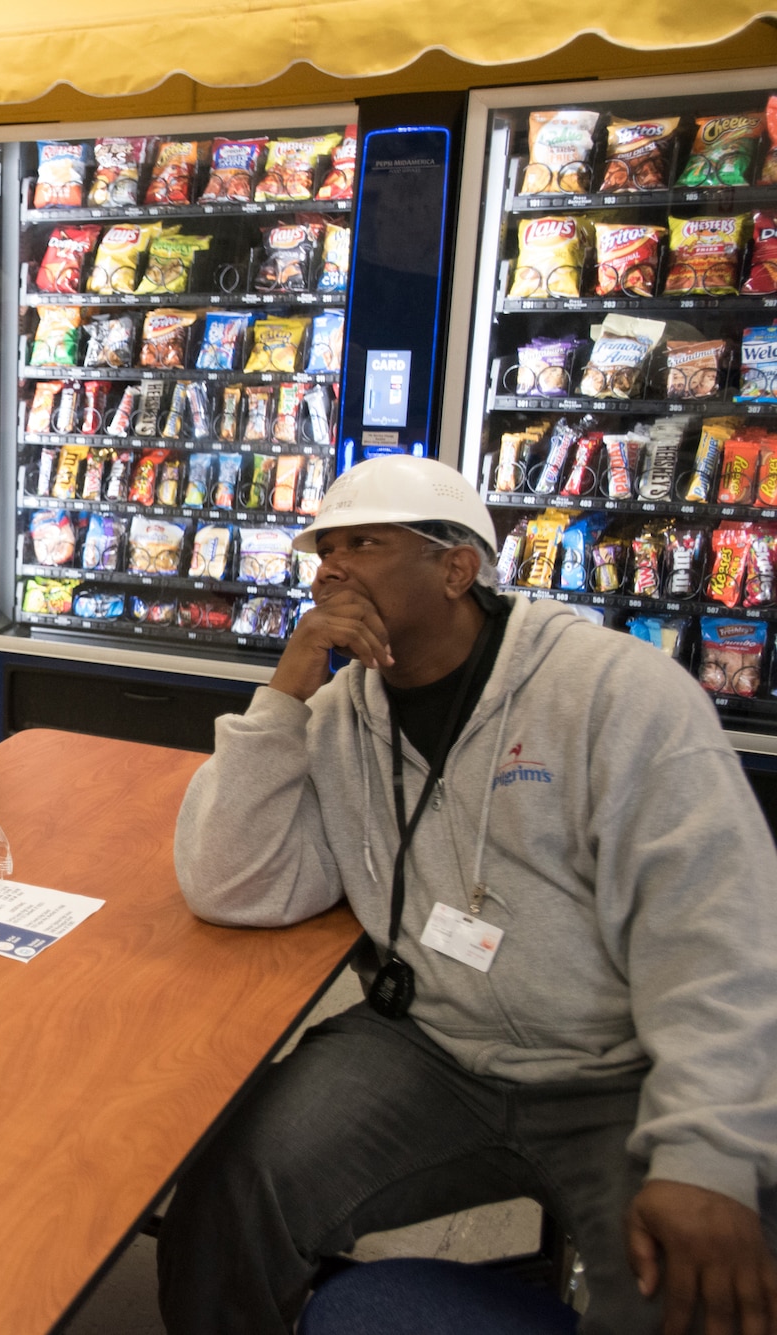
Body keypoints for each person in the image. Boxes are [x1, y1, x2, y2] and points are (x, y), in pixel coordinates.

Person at [160, 454, 777, 1335]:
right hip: (429, 1047)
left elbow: (720, 935)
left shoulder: (616, 693)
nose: (331, 567)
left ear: (457, 568)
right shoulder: (341, 715)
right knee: (231, 1190)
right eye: (323, 547)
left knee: (690, 1288)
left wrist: (707, 1154)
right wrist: (286, 687)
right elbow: (231, 884)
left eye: (364, 542)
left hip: (621, 1067)